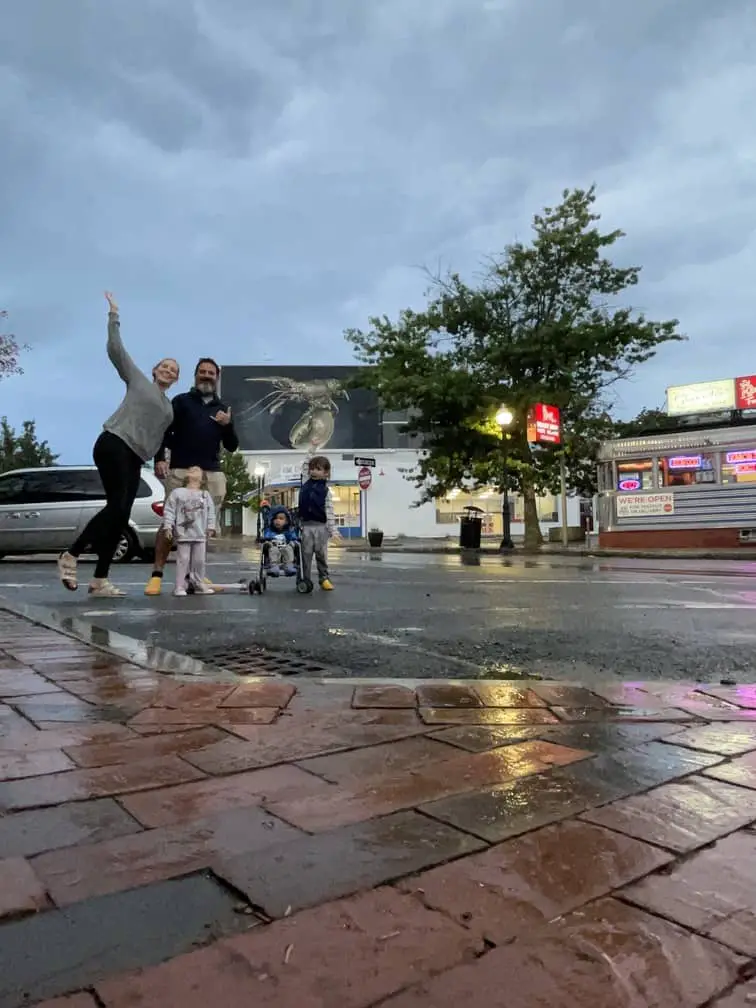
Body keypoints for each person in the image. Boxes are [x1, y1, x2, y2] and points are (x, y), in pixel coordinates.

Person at [57, 292, 178, 597]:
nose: (168, 371)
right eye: (164, 366)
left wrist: (162, 458)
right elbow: (116, 350)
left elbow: (164, 435)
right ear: (154, 370)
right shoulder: (138, 380)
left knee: (121, 514)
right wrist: (114, 316)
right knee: (117, 508)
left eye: (174, 370)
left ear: (175, 380)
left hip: (136, 456)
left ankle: (100, 580)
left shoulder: (169, 409)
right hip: (114, 443)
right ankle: (71, 554)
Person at [145, 357, 238, 596]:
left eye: (211, 373)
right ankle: (156, 574)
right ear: (195, 375)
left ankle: (195, 575)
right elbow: (162, 431)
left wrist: (227, 425)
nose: (206, 376)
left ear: (217, 377)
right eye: (202, 372)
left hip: (212, 473)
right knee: (170, 524)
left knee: (203, 529)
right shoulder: (181, 402)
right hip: (180, 470)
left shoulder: (223, 407)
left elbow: (232, 446)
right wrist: (160, 459)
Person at [161, 466, 216, 596]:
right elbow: (169, 510)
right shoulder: (177, 493)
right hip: (183, 533)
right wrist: (168, 526)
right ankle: (180, 586)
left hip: (200, 533)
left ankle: (198, 582)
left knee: (200, 560)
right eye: (192, 469)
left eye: (198, 470)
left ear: (202, 478)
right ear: (186, 475)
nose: (194, 470)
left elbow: (211, 512)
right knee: (183, 559)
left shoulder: (205, 495)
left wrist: (211, 526)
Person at [298, 455, 340, 591]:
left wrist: (333, 530)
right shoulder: (305, 481)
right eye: (312, 469)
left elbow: (329, 512)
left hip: (321, 527)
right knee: (305, 555)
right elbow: (305, 464)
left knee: (321, 554)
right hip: (305, 526)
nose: (313, 471)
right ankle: (305, 580)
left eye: (318, 469)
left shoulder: (326, 491)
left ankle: (324, 578)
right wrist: (312, 448)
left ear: (326, 473)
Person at [263, 506, 299, 576]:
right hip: (274, 550)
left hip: (286, 549)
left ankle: (289, 565)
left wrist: (294, 541)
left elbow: (294, 537)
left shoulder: (289, 531)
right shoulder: (270, 531)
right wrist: (267, 540)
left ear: (286, 521)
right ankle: (274, 565)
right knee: (273, 549)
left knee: (289, 548)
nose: (277, 520)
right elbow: (266, 537)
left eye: (281, 518)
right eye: (275, 518)